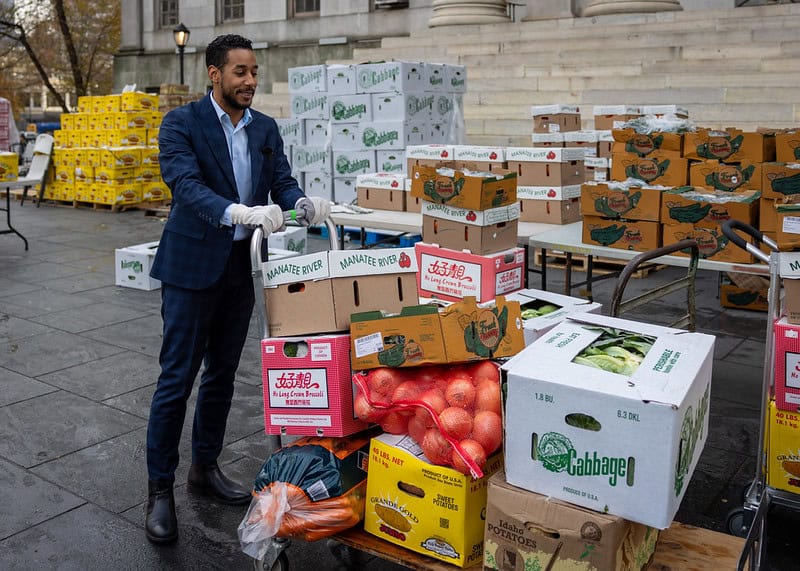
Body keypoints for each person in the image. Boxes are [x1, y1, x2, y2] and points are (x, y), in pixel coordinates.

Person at [145, 33, 330, 544]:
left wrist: (302, 204)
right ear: (214, 74)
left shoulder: (265, 128)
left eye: (254, 72)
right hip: (190, 266)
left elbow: (281, 183)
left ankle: (204, 469)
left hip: (242, 267)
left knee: (223, 374)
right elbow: (184, 185)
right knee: (176, 378)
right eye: (240, 72)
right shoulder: (181, 123)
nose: (250, 81)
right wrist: (235, 212)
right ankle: (159, 489)